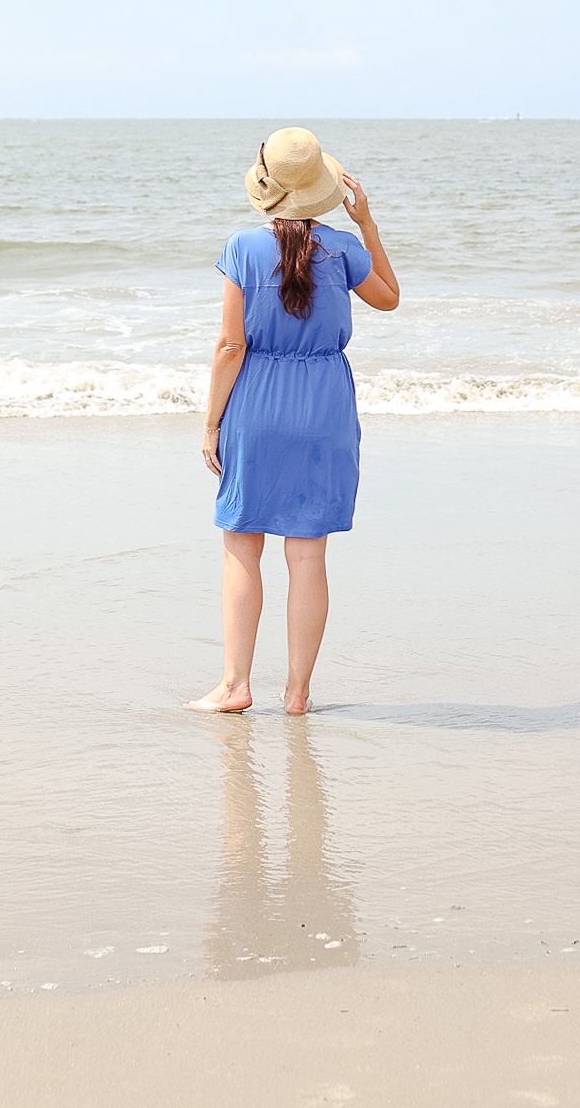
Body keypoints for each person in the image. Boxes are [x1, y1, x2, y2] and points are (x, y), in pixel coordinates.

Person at [185, 127, 399, 717]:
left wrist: (211, 424)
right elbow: (389, 298)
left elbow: (231, 345)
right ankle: (298, 693)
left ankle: (235, 685)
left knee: (241, 546)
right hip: (324, 405)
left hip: (258, 405)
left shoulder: (241, 249)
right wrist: (368, 226)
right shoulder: (342, 249)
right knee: (307, 555)